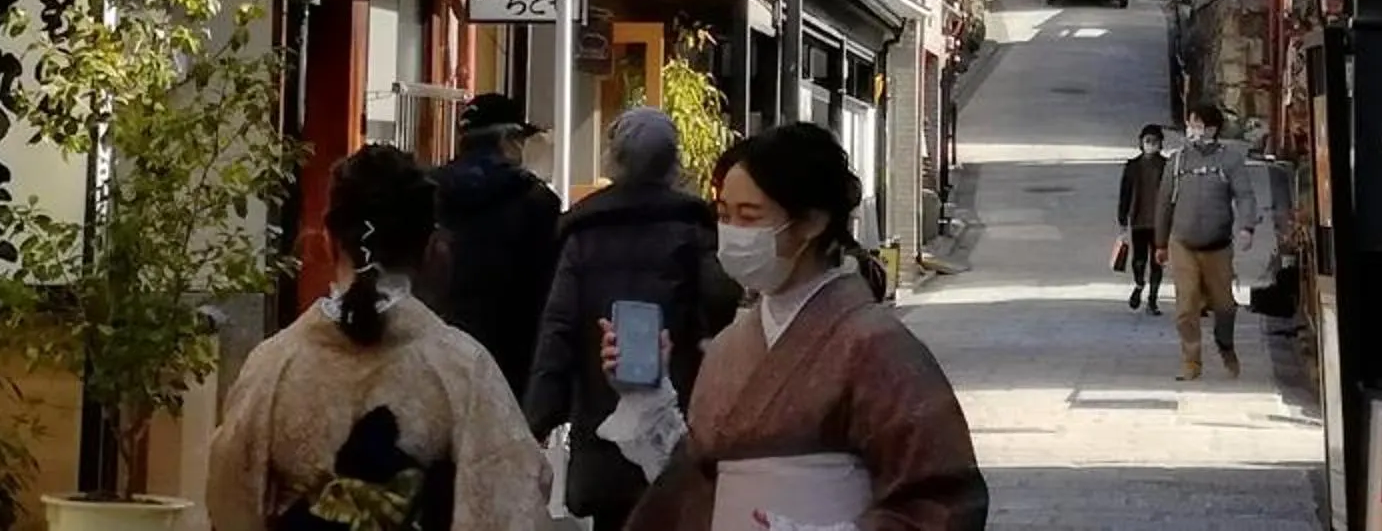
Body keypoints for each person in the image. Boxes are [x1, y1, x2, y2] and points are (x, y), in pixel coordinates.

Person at [622, 121, 987, 531]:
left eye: (749, 216)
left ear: (811, 222)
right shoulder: (728, 347)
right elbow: (698, 482)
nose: (731, 233)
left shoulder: (874, 344)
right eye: (724, 215)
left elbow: (940, 491)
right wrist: (648, 400)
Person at [207, 143, 546, 531]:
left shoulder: (274, 366)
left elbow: (229, 497)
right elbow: (511, 502)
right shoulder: (461, 369)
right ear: (432, 248)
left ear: (327, 241)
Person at [525, 107, 732, 531]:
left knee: (612, 512)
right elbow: (721, 302)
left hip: (602, 410)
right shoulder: (694, 227)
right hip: (678, 408)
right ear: (673, 161)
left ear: (614, 158)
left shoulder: (584, 230)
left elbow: (558, 328)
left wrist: (539, 418)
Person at [417, 91, 565, 383]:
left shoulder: (424, 194)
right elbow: (550, 295)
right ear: (507, 141)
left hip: (435, 354)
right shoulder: (536, 202)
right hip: (511, 363)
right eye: (521, 140)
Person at [1158, 99, 1254, 381]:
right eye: (1190, 124)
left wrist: (1247, 227)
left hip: (1218, 246)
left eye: (1199, 125)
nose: (1193, 130)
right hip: (1182, 243)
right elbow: (1164, 202)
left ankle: (1225, 345)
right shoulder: (1177, 162)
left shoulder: (1229, 160)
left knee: (1224, 306)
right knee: (1186, 306)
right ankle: (1191, 361)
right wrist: (1160, 243)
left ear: (1213, 129)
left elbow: (1245, 196)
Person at [1115, 123, 1169, 314]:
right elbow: (1125, 194)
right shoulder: (1132, 167)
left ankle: (1153, 300)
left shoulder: (1167, 166)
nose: (1151, 144)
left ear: (1160, 144)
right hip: (1138, 220)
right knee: (1138, 260)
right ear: (1141, 143)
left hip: (1160, 223)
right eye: (1147, 141)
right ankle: (1139, 285)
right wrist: (1122, 219)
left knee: (1157, 261)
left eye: (1155, 141)